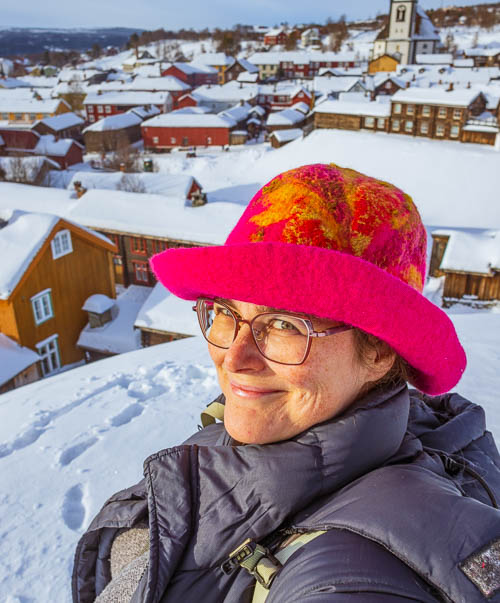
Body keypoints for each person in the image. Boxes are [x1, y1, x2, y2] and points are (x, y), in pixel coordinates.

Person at [73, 164, 500, 603]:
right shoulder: (284, 427)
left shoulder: (356, 574)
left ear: (378, 352)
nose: (234, 358)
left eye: (283, 324)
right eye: (225, 312)